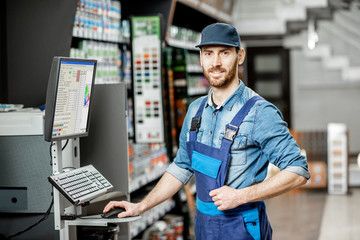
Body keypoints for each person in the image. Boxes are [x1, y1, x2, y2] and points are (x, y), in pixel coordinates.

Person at [104, 23, 310, 239]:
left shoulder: (260, 112)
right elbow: (181, 167)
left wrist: (241, 196)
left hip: (242, 227)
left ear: (240, 56)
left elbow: (298, 171)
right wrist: (140, 206)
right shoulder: (195, 111)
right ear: (200, 59)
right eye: (208, 53)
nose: (216, 62)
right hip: (204, 226)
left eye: (225, 53)